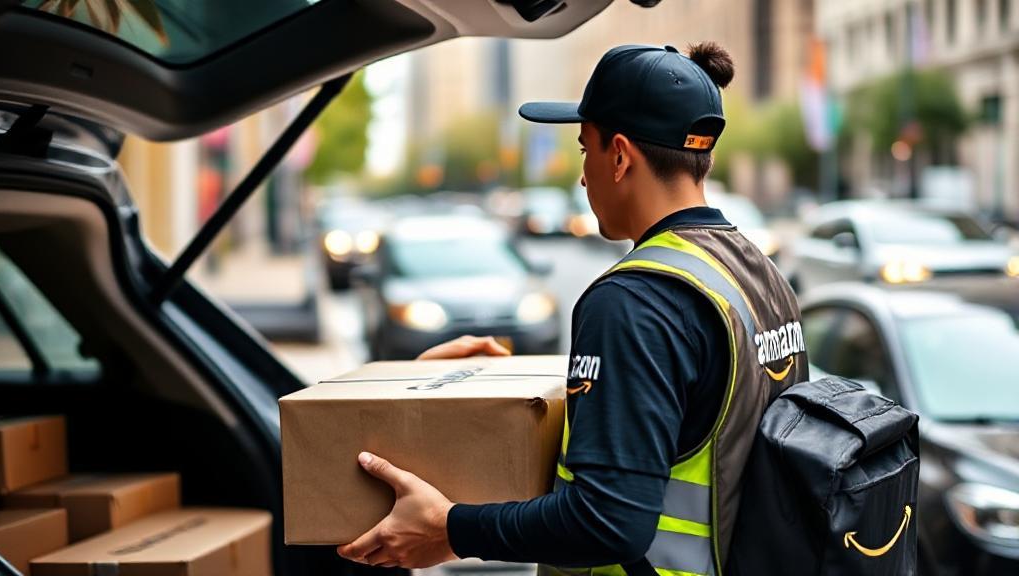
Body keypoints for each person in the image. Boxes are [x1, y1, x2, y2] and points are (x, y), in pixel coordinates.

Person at [336, 42, 809, 575]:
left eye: (586, 150)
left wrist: (450, 529)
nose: (583, 177)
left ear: (621, 155)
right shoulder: (756, 273)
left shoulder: (634, 301)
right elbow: (683, 428)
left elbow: (609, 522)